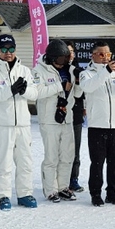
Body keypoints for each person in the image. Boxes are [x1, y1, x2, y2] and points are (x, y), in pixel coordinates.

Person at [0, 34, 38, 209]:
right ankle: (3, 195)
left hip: (22, 123)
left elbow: (35, 94)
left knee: (25, 161)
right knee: (3, 162)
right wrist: (10, 90)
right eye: (4, 49)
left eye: (11, 49)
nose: (8, 53)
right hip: (2, 123)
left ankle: (25, 193)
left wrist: (23, 90)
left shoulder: (24, 70)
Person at [79, 41, 115, 206]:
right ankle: (95, 193)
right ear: (93, 55)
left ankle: (112, 191)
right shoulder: (86, 73)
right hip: (97, 125)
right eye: (101, 54)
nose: (105, 58)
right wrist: (106, 70)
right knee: (97, 162)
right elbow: (88, 87)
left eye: (108, 55)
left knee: (114, 161)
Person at [33, 38, 78, 202]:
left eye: (66, 58)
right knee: (52, 157)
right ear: (52, 58)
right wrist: (59, 86)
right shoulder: (39, 70)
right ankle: (50, 190)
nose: (64, 62)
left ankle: (63, 187)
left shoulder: (71, 70)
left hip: (67, 117)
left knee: (67, 156)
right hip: (49, 119)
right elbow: (37, 92)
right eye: (60, 59)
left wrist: (77, 83)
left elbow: (77, 94)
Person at [67, 43, 86, 192]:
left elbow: (82, 93)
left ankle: (74, 178)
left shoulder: (79, 71)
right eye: (67, 52)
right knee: (60, 151)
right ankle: (60, 180)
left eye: (72, 51)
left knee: (75, 150)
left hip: (76, 115)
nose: (70, 54)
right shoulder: (57, 70)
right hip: (59, 116)